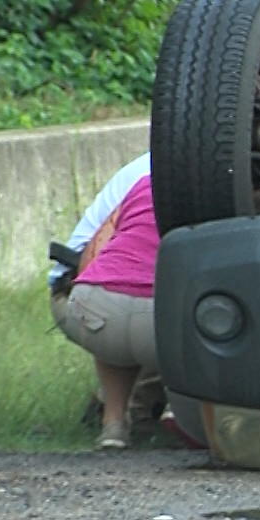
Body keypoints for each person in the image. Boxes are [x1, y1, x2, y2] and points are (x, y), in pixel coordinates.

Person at [51, 153, 182, 448]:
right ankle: (185, 409)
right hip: (160, 327)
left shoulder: (139, 183)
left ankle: (114, 425)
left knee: (109, 307)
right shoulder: (220, 191)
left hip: (93, 307)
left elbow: (90, 260)